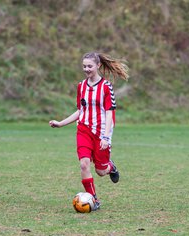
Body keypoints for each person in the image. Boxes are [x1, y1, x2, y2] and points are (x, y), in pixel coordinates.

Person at [49, 52, 129, 210]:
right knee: (84, 165)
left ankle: (110, 167)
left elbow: (109, 113)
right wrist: (61, 123)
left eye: (89, 66)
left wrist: (106, 137)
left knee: (100, 170)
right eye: (84, 66)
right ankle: (94, 200)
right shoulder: (81, 86)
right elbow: (80, 111)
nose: (86, 69)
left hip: (101, 133)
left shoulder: (106, 87)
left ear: (98, 66)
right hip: (83, 130)